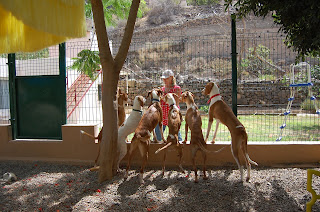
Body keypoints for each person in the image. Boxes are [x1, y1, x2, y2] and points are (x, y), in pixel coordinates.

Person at [154, 69, 182, 142]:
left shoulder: (177, 89)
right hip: (162, 115)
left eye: (167, 78)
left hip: (173, 115)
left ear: (172, 77)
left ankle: (181, 148)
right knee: (157, 137)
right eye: (163, 78)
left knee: (177, 136)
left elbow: (176, 103)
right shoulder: (162, 89)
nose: (164, 80)